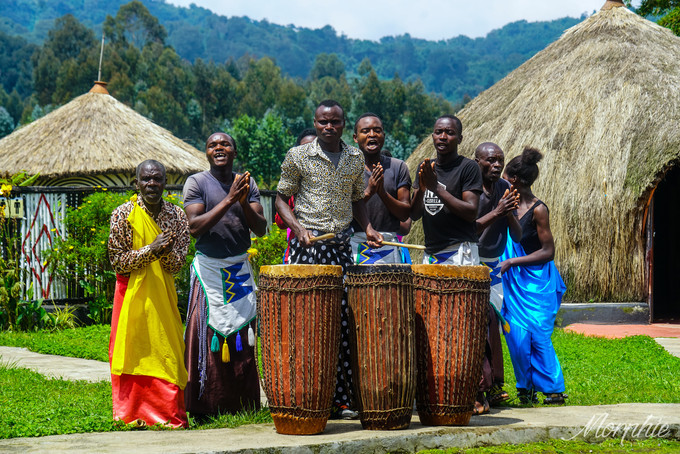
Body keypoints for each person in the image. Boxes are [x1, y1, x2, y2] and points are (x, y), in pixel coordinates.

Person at [276, 99, 383, 419]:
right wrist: (298, 228)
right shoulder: (298, 156)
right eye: (323, 122)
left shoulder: (354, 157)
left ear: (342, 123)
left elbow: (356, 202)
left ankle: (340, 399)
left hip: (340, 249)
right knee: (307, 325)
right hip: (308, 251)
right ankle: (303, 396)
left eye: (335, 122)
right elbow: (281, 199)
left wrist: (368, 227)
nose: (328, 127)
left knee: (341, 324)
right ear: (315, 121)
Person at [183, 132, 267, 418]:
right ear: (206, 152)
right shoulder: (196, 182)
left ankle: (241, 404)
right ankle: (206, 406)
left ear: (234, 150)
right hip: (209, 270)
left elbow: (261, 229)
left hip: (238, 268)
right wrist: (229, 198)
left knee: (242, 332)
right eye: (212, 145)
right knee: (207, 333)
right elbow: (195, 227)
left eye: (225, 144)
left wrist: (242, 201)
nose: (219, 148)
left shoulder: (248, 183)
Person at [108, 159, 190, 428]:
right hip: (130, 294)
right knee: (132, 350)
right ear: (137, 183)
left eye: (157, 179)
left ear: (165, 184)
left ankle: (167, 413)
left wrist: (163, 252)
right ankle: (131, 413)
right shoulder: (123, 214)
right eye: (146, 179)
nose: (152, 184)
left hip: (163, 296)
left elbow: (177, 264)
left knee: (169, 352)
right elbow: (118, 261)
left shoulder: (177, 216)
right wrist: (151, 250)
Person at [500, 146, 567, 405]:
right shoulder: (505, 204)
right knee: (515, 335)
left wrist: (513, 261)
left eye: (505, 175)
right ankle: (525, 387)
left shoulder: (539, 210)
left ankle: (553, 389)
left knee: (538, 335)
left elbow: (548, 252)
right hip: (513, 282)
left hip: (536, 283)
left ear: (513, 179)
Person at [473, 142, 522, 414]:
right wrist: (497, 211)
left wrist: (508, 211)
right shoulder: (469, 188)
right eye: (490, 160)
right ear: (477, 161)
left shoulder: (504, 189)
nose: (496, 165)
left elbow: (516, 236)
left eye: (499, 161)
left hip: (493, 267)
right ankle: (479, 388)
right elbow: (470, 234)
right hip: (470, 262)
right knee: (478, 327)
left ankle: (492, 385)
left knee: (492, 328)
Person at [411, 115, 483, 265]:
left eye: (449, 133)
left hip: (460, 251)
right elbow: (414, 214)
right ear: (432, 136)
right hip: (431, 252)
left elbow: (471, 213)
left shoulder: (468, 167)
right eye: (438, 132)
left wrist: (436, 188)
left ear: (460, 138)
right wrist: (422, 190)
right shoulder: (426, 167)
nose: (443, 137)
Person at [350, 113, 411, 264]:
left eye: (377, 130)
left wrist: (382, 193)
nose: (372, 135)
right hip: (354, 245)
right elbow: (341, 213)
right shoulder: (347, 168)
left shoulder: (398, 167)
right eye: (365, 131)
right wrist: (369, 192)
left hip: (388, 244)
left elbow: (405, 214)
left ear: (384, 135)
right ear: (355, 137)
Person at [274, 128, 317, 263]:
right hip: (296, 252)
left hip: (327, 251)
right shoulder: (292, 186)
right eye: (304, 149)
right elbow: (280, 223)